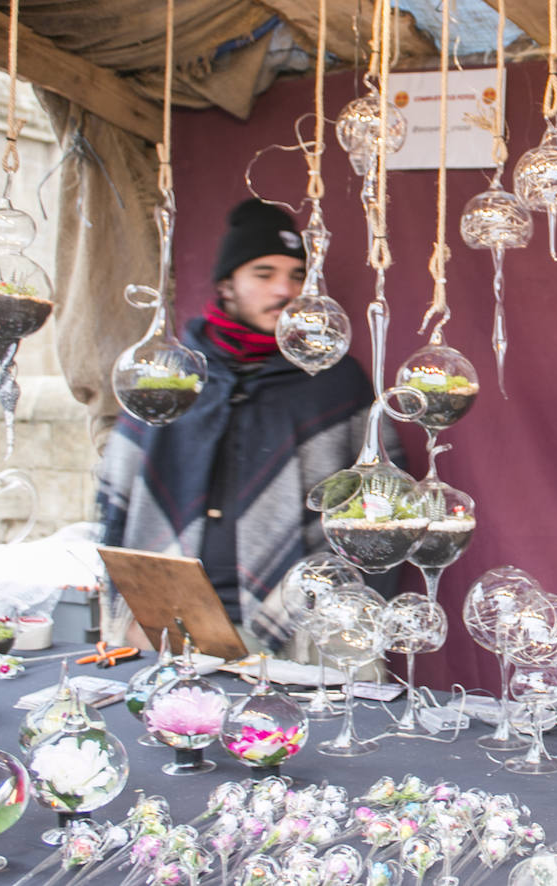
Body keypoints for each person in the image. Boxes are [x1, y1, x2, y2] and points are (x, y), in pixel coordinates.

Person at [96, 198, 395, 653]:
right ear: (227, 284)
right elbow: (117, 496)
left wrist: (343, 619)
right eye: (263, 274)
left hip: (304, 626)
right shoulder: (171, 374)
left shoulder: (336, 382)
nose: (284, 291)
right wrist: (127, 608)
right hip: (166, 621)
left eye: (297, 276)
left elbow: (384, 520)